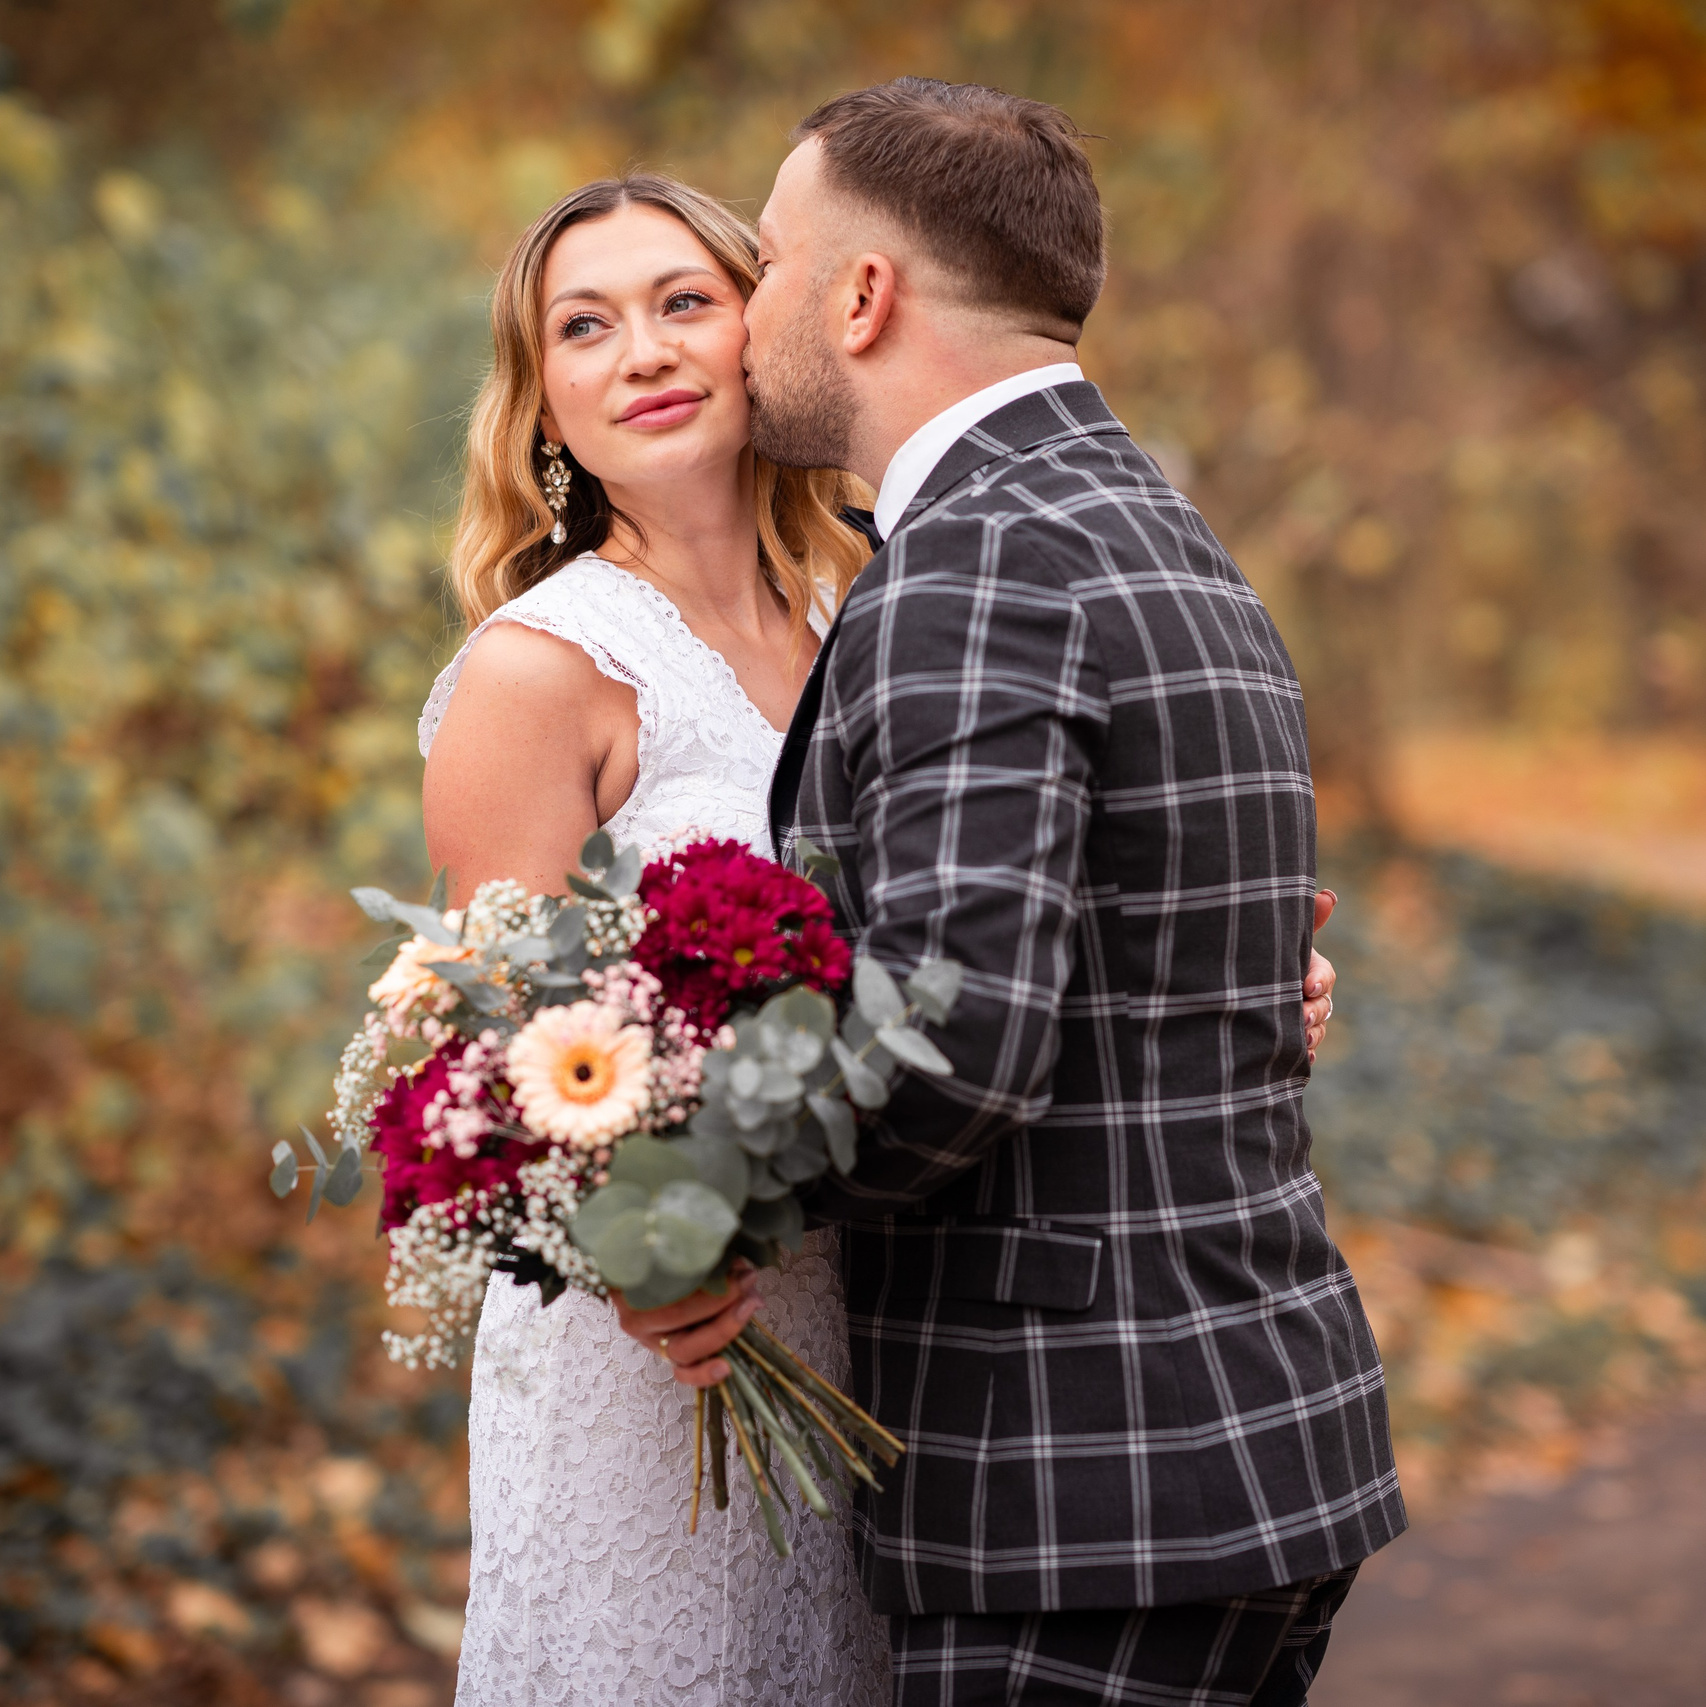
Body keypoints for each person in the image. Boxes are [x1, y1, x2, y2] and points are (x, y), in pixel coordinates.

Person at [617, 80, 1400, 1707]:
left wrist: (689, 1197)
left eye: (765, 269)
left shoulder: (974, 563)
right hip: (1239, 1432)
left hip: (1079, 1473)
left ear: (860, 296)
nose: (744, 316)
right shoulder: (1161, 534)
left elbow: (956, 1050)